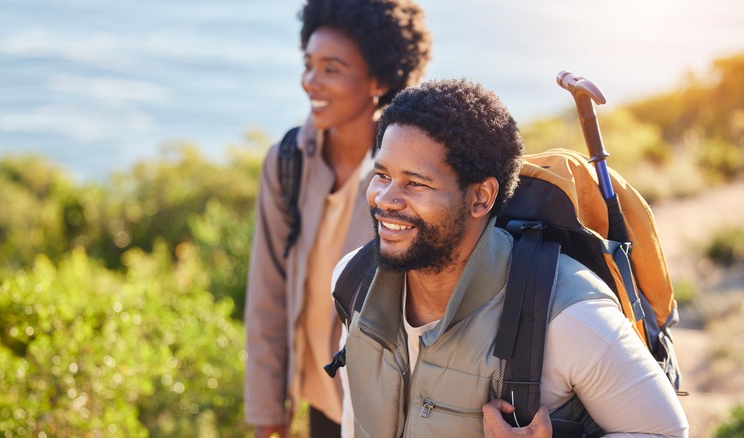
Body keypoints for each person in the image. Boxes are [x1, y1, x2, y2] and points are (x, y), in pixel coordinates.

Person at [335, 78, 689, 437]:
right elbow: (355, 420)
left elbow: (668, 432)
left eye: (415, 183)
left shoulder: (569, 315)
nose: (384, 198)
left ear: (481, 197)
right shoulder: (353, 281)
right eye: (382, 175)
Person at [244, 0, 432, 436]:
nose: (311, 81)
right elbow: (267, 293)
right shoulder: (287, 163)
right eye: (309, 64)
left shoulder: (408, 180)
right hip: (320, 403)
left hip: (383, 411)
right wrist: (267, 408)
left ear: (379, 78)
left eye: (332, 69)